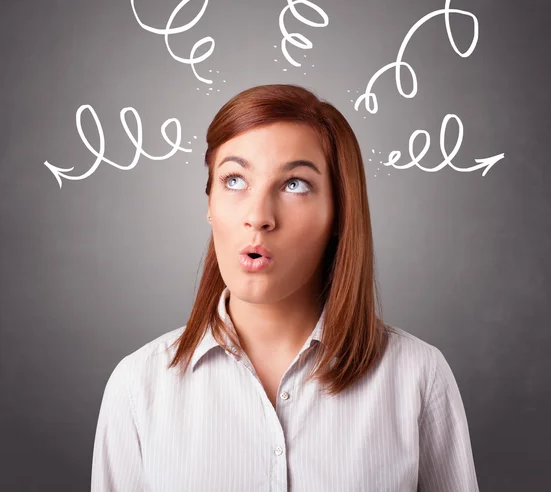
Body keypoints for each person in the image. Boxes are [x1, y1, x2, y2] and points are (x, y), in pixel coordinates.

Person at [91, 84, 479, 491]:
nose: (258, 217)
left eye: (294, 184)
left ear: (339, 213)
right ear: (209, 203)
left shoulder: (418, 377)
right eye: (234, 179)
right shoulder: (137, 387)